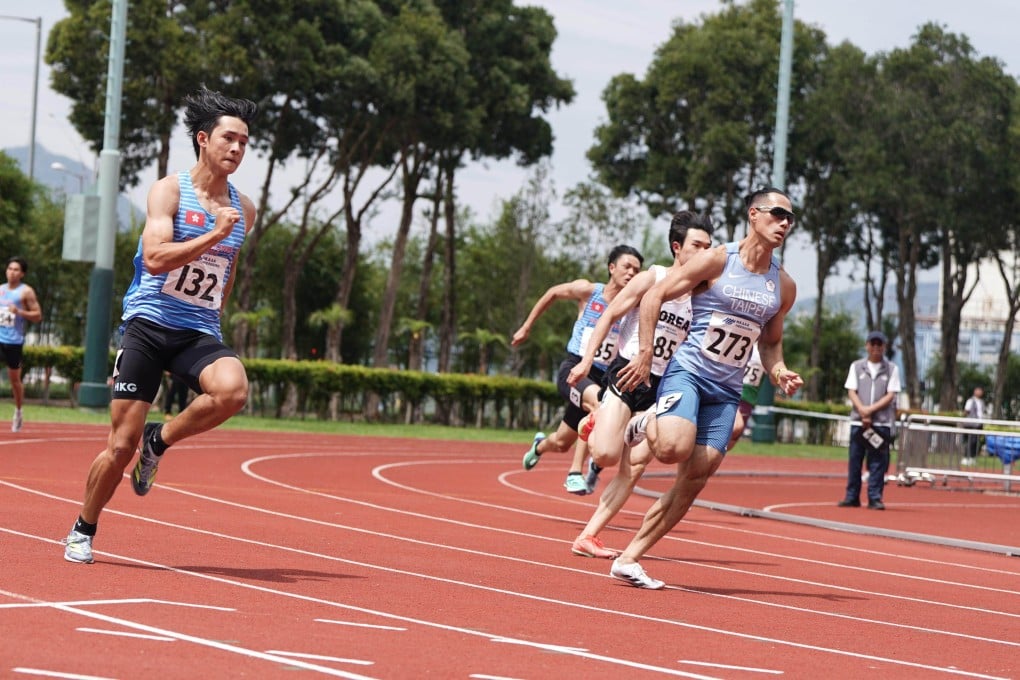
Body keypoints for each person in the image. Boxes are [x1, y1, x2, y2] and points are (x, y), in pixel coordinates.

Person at [63, 87, 258, 564]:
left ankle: (161, 438)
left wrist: (215, 310)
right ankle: (83, 527)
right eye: (229, 139)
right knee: (119, 446)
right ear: (203, 139)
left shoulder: (245, 209)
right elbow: (153, 258)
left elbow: (225, 269)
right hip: (149, 325)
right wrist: (213, 231)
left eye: (245, 142)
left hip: (197, 330)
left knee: (232, 391)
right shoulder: (170, 190)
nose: (237, 149)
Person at [609, 186, 804, 589]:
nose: (784, 222)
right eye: (776, 213)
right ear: (753, 214)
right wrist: (645, 354)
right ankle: (647, 422)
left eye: (790, 217)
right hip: (690, 373)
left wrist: (779, 370)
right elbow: (656, 294)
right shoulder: (718, 260)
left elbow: (769, 344)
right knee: (672, 448)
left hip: (726, 392)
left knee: (696, 475)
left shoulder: (782, 286)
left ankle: (630, 558)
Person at [565, 211, 712, 558]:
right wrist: (587, 361)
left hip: (664, 383)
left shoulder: (703, 294)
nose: (705, 253)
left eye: (709, 247)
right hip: (628, 373)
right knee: (604, 454)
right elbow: (610, 314)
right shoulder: (653, 278)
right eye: (697, 245)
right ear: (677, 247)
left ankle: (588, 536)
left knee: (633, 469)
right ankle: (594, 421)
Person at [511, 245, 643, 494]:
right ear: (611, 268)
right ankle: (576, 472)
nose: (632, 274)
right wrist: (526, 326)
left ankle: (539, 445)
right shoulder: (589, 292)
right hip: (574, 369)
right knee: (599, 406)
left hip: (602, 377)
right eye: (627, 267)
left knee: (560, 442)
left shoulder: (631, 307)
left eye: (637, 270)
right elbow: (552, 293)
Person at [838, 330, 900, 510]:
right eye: (872, 344)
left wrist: (871, 411)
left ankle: (875, 497)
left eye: (879, 344)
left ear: (884, 347)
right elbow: (851, 391)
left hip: (881, 423)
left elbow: (891, 395)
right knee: (855, 460)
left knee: (878, 462)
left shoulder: (892, 369)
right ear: (867, 346)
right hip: (859, 422)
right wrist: (863, 411)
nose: (875, 348)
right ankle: (852, 496)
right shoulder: (857, 367)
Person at [0, 256, 43, 432]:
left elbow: (38, 315)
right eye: (10, 268)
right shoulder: (1, 290)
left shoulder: (26, 292)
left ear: (22, 273)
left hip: (14, 342)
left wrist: (19, 311)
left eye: (16, 269)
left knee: (14, 380)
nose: (12, 272)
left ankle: (18, 412)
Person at [728, 345, 765, 450]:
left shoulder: (765, 352)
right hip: (734, 393)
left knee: (733, 438)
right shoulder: (744, 344)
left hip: (749, 399)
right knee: (734, 428)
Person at [961, 386, 985, 465]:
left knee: (975, 442)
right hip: (970, 424)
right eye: (978, 391)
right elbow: (966, 411)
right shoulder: (970, 401)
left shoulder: (981, 402)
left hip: (978, 424)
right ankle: (965, 457)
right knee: (969, 441)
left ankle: (972, 457)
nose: (980, 392)